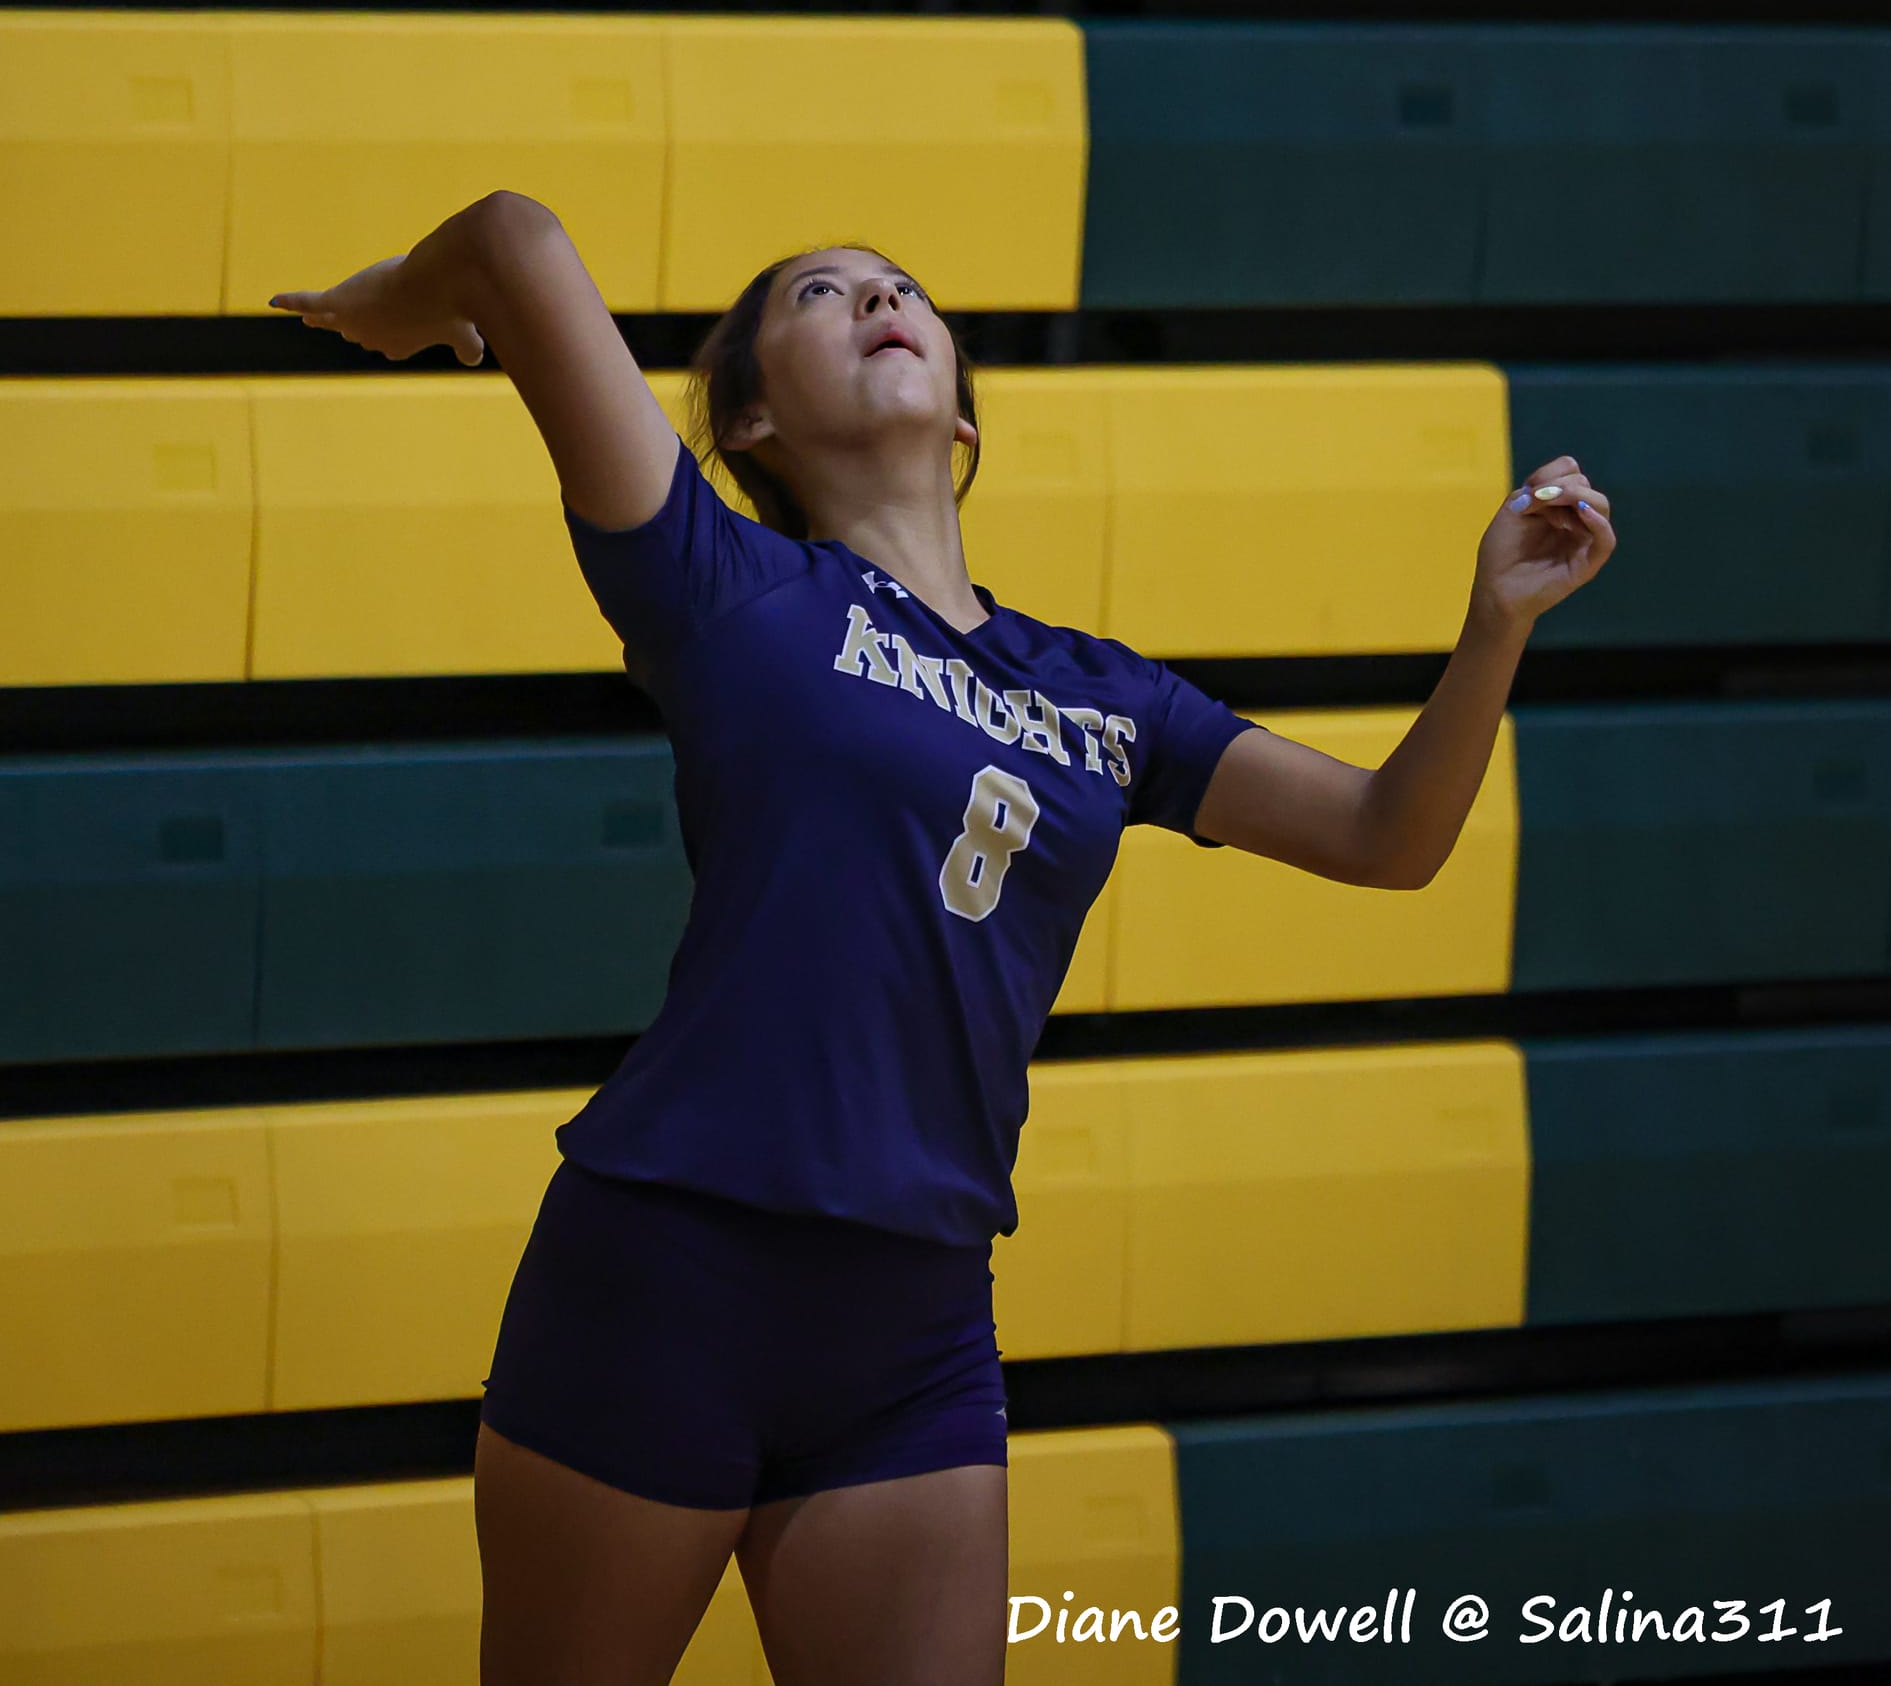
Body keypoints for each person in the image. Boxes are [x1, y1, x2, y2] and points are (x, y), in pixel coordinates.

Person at [270, 188, 1614, 1686]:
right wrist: (401, 305)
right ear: (754, 421)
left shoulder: (1106, 694)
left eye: (899, 284)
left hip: (912, 1332)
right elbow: (517, 240)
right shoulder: (724, 583)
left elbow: (1387, 837)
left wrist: (1494, 626)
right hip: (668, 1276)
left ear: (962, 417)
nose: (876, 298)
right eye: (819, 293)